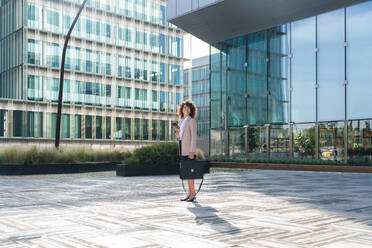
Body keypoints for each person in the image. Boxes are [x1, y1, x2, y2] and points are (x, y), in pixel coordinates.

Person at [173, 100, 198, 202]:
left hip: (189, 152)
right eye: (184, 107)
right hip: (183, 151)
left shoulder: (191, 121)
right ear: (181, 110)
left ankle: (193, 194)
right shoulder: (181, 121)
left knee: (190, 174)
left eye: (188, 107)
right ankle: (190, 193)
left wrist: (192, 151)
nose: (186, 109)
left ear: (191, 110)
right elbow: (179, 138)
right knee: (187, 173)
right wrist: (176, 132)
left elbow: (193, 137)